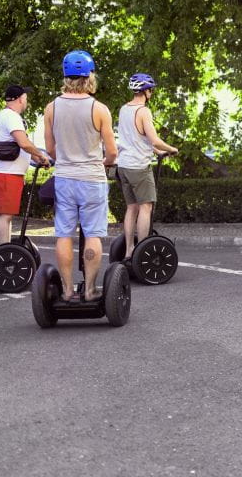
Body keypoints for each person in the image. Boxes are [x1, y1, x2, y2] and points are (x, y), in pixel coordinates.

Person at [43, 50, 117, 302]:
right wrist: (104, 162)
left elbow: (51, 149)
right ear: (89, 77)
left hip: (64, 178)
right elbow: (112, 153)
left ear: (66, 77)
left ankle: (65, 290)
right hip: (92, 179)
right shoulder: (100, 109)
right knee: (92, 234)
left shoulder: (51, 108)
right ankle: (89, 290)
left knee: (64, 233)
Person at [116, 73, 179, 260]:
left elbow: (136, 139)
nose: (151, 92)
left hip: (124, 166)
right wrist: (171, 149)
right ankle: (141, 253)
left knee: (131, 207)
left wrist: (156, 152)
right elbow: (154, 139)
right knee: (146, 207)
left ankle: (129, 250)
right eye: (151, 89)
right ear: (146, 91)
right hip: (139, 167)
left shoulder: (124, 109)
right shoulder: (143, 111)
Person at [0, 85, 51, 244]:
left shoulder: (6, 115)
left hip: (9, 173)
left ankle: (6, 248)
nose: (27, 101)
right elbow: (23, 142)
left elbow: (19, 145)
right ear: (20, 99)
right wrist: (40, 154)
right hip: (6, 174)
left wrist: (36, 159)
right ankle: (3, 250)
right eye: (26, 98)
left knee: (7, 216)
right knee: (5, 215)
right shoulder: (12, 117)